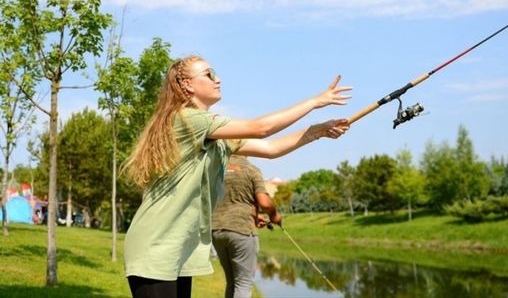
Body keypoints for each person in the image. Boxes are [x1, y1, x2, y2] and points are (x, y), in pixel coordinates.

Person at [122, 55, 351, 298]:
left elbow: (271, 149)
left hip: (177, 247)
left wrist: (317, 131)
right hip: (155, 245)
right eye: (209, 74)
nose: (218, 79)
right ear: (187, 84)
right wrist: (315, 101)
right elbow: (260, 129)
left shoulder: (215, 135)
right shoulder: (189, 119)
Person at [211, 157, 280, 298]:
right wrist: (274, 215)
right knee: (243, 283)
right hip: (241, 230)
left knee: (232, 282)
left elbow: (230, 201)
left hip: (216, 230)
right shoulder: (251, 170)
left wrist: (254, 217)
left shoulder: (217, 169)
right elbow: (265, 203)